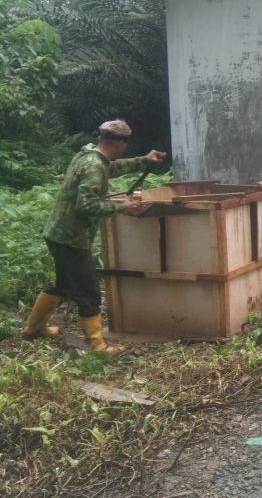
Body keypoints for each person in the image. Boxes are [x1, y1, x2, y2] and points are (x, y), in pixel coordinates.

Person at [21, 120, 167, 355]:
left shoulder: (88, 155)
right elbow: (85, 204)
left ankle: (33, 329)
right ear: (120, 143)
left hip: (58, 233)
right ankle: (97, 347)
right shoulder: (94, 166)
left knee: (64, 283)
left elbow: (111, 168)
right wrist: (121, 208)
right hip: (71, 237)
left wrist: (144, 161)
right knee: (88, 290)